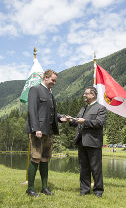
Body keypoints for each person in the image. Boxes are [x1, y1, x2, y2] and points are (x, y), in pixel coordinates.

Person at [26, 69, 66, 197]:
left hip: (49, 132)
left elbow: (50, 113)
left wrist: (60, 118)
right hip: (38, 131)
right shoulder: (35, 89)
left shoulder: (50, 93)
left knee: (45, 158)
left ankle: (44, 187)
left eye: (55, 81)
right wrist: (36, 128)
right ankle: (30, 189)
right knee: (35, 158)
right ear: (46, 77)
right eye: (52, 80)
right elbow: (32, 110)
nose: (54, 82)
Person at [66, 86, 106, 197]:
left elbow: (99, 123)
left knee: (96, 168)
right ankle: (84, 190)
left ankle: (98, 191)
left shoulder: (100, 108)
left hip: (93, 142)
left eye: (86, 93)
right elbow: (77, 122)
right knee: (83, 168)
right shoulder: (83, 109)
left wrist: (85, 121)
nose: (84, 95)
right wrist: (71, 120)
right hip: (81, 142)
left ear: (93, 95)